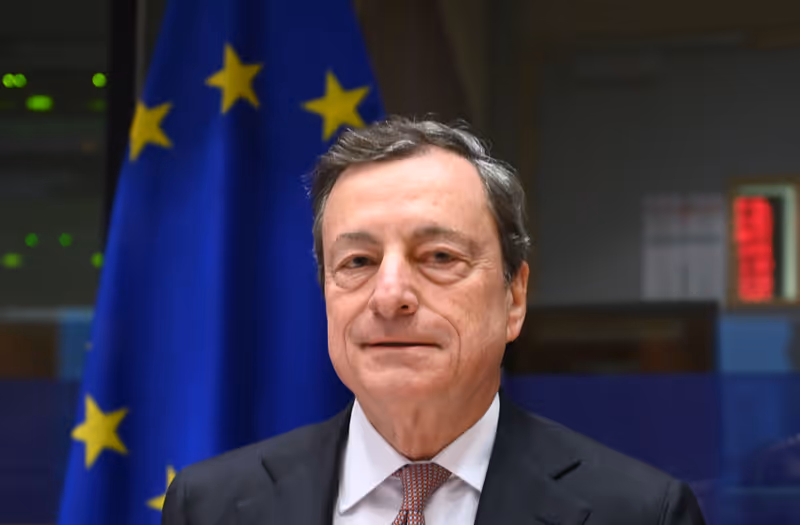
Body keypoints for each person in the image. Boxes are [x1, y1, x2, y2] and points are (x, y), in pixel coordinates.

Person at [162, 118, 706, 525]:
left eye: (439, 257)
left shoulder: (640, 513)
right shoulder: (209, 507)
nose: (390, 296)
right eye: (358, 262)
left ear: (514, 298)